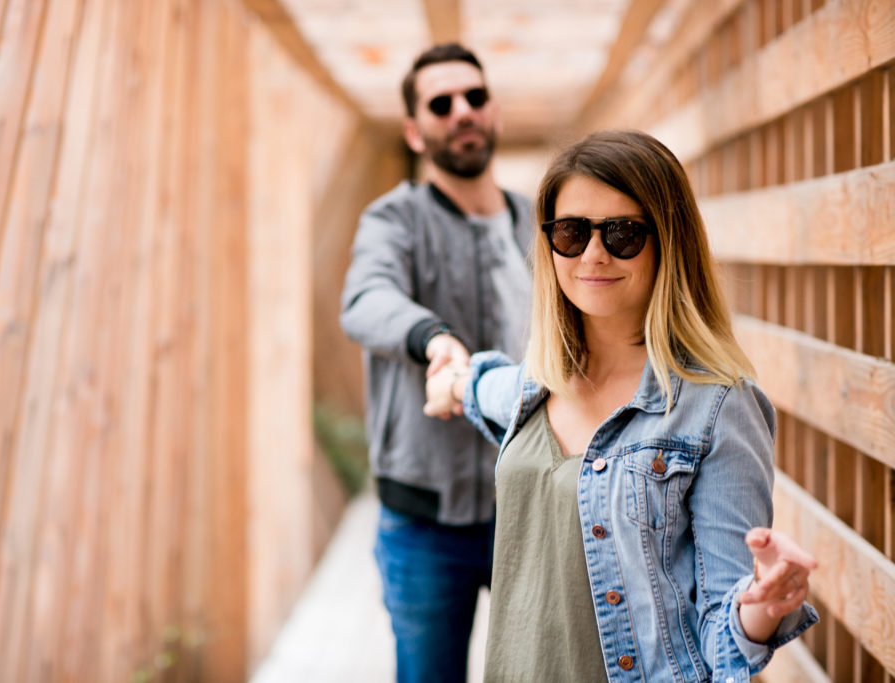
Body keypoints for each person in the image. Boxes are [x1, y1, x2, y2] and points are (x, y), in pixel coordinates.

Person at [424, 130, 819, 681]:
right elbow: (481, 387)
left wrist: (762, 605)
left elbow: (724, 645)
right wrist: (451, 381)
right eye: (570, 232)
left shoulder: (717, 407)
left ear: (668, 241)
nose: (593, 253)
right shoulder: (533, 385)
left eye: (623, 234)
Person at [339, 43, 533, 683]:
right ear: (415, 131)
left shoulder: (539, 222)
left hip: (530, 514)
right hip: (425, 526)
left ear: (495, 110)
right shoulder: (394, 218)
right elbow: (366, 300)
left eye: (475, 97)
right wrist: (432, 337)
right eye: (441, 104)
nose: (463, 112)